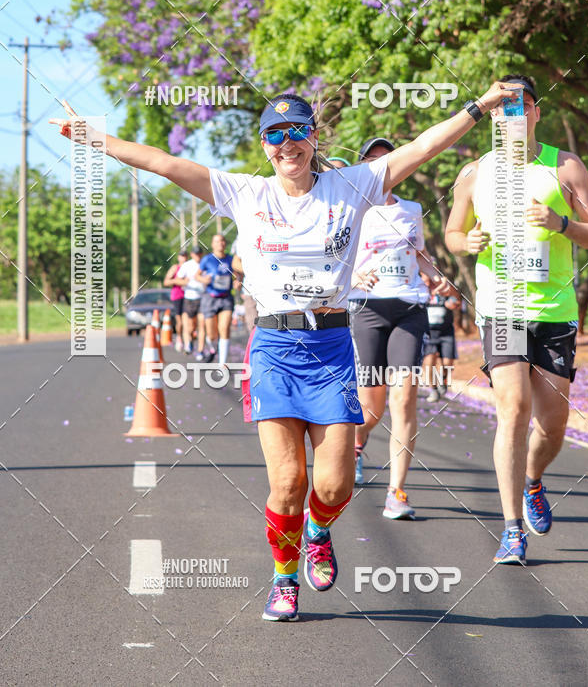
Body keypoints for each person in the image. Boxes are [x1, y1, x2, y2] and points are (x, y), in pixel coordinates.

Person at [51, 82, 515, 621]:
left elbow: (424, 147)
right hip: (274, 347)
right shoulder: (246, 194)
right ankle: (284, 577)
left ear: (313, 138)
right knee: (288, 481)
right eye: (275, 133)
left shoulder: (352, 186)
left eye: (297, 131)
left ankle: (318, 531)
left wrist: (478, 107)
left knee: (334, 484)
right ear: (264, 143)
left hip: (333, 347)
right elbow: (163, 161)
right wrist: (92, 137)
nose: (287, 143)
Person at [445, 74, 588, 564]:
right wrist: (463, 243)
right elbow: (452, 229)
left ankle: (533, 479)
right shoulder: (474, 173)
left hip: (554, 312)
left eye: (521, 106)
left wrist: (561, 224)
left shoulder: (565, 167)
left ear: (536, 112)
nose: (511, 115)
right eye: (502, 107)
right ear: (491, 115)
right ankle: (512, 528)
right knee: (512, 410)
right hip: (503, 308)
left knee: (552, 426)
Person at [349, 137, 453, 520]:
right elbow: (334, 257)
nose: (380, 167)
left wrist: (436, 276)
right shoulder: (352, 210)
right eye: (372, 161)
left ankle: (397, 491)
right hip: (367, 310)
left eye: (386, 161)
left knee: (404, 397)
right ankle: (358, 445)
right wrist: (356, 275)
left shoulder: (412, 209)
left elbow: (419, 253)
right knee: (370, 405)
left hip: (410, 307)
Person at [421, 272, 461, 403]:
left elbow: (457, 300)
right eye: (425, 274)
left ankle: (443, 381)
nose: (429, 278)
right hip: (428, 332)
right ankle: (433, 390)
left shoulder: (444, 287)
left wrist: (453, 302)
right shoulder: (419, 288)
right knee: (429, 362)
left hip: (446, 331)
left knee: (448, 363)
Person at [198, 233, 235, 364]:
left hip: (226, 298)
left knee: (224, 328)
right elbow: (197, 275)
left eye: (222, 241)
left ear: (225, 243)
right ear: (213, 244)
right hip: (210, 298)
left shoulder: (231, 259)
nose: (220, 243)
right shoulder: (207, 259)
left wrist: (238, 281)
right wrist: (203, 279)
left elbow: (238, 273)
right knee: (212, 334)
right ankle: (213, 347)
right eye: (217, 241)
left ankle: (222, 364)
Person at [173, 246, 206, 357]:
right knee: (190, 326)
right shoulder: (187, 265)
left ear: (201, 254)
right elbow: (177, 280)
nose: (197, 255)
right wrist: (184, 282)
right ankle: (189, 341)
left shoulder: (205, 263)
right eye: (195, 253)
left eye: (199, 253)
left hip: (202, 297)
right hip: (189, 298)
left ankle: (200, 350)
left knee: (202, 324)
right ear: (192, 254)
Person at [163, 249, 188, 352]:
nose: (183, 258)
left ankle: (187, 341)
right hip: (177, 296)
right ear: (178, 257)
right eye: (181, 256)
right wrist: (177, 281)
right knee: (180, 321)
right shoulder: (175, 268)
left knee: (187, 320)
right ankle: (179, 338)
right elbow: (166, 282)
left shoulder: (190, 267)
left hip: (188, 296)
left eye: (185, 256)